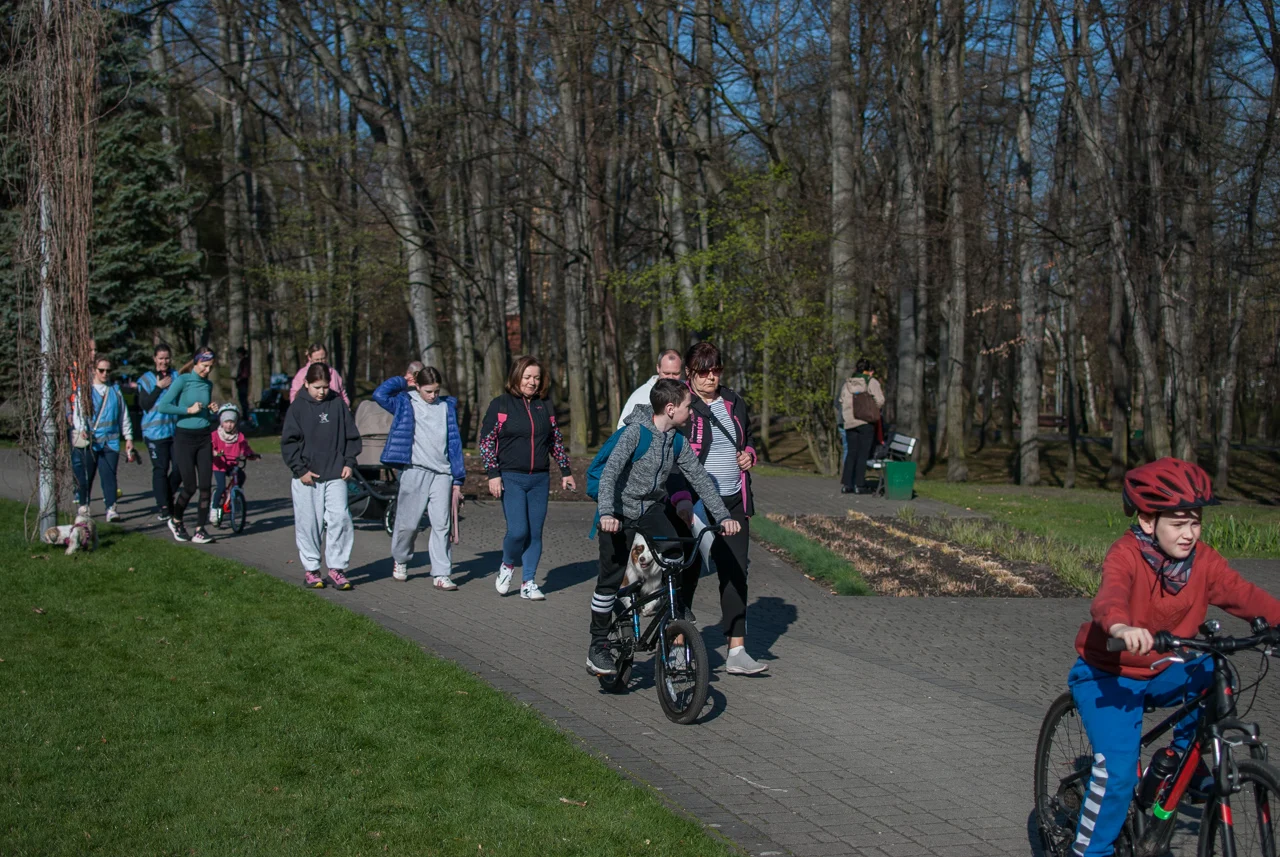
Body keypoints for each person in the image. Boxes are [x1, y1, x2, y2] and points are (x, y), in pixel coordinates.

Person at [1066, 458, 1280, 857]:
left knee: (1215, 673)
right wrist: (1122, 628)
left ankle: (1182, 771)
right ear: (1148, 521)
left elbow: (1241, 592)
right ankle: (1089, 852)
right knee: (1115, 776)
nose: (1189, 534)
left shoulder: (1203, 561)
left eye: (1195, 522)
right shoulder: (1126, 554)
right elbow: (1110, 595)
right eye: (1178, 524)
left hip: (1164, 667)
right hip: (1109, 674)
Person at [586, 379, 741, 676]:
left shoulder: (676, 440)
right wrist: (607, 513)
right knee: (609, 579)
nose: (692, 413)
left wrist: (722, 517)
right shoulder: (635, 434)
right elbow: (608, 476)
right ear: (670, 409)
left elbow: (700, 480)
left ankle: (674, 605)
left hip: (651, 508)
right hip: (618, 510)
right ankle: (598, 645)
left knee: (675, 550)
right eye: (687, 407)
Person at [678, 341, 767, 675]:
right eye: (703, 371)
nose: (711, 377)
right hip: (693, 500)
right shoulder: (681, 403)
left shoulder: (733, 401)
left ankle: (737, 650)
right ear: (690, 372)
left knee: (736, 571)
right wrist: (682, 498)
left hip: (732, 500)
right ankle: (678, 645)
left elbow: (748, 440)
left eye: (716, 370)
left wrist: (749, 455)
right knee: (686, 571)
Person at [479, 355, 576, 601]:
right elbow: (487, 442)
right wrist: (493, 474)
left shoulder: (545, 405)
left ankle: (529, 582)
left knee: (535, 532)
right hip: (511, 477)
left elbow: (555, 440)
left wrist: (565, 471)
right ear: (516, 377)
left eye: (536, 377)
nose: (532, 382)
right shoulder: (501, 405)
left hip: (539, 479)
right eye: (527, 377)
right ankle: (508, 564)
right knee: (518, 531)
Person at [373, 365, 466, 588]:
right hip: (415, 470)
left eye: (436, 391)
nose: (433, 396)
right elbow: (379, 394)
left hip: (442, 473)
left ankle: (441, 573)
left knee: (441, 524)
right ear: (418, 387)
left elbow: (454, 445)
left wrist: (458, 479)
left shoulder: (446, 407)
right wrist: (404, 381)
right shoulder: (406, 401)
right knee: (408, 524)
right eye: (428, 391)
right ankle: (401, 559)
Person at [281, 362, 362, 591]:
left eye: (325, 387)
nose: (321, 392)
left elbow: (351, 437)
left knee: (340, 519)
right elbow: (289, 443)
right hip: (308, 477)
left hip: (335, 472)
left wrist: (349, 462)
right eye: (317, 387)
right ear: (306, 384)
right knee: (309, 523)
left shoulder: (337, 404)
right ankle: (312, 569)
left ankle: (337, 568)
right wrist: (300, 470)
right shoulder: (298, 408)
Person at [155, 349, 218, 544]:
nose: (207, 370)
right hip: (184, 438)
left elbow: (204, 413)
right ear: (196, 362)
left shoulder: (208, 385)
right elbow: (163, 406)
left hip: (204, 437)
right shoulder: (182, 380)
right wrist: (187, 410)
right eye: (204, 366)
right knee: (190, 486)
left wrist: (211, 411)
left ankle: (200, 529)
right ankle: (176, 520)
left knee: (206, 486)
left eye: (210, 367)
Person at [70, 356, 135, 522]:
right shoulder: (84, 391)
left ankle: (111, 508)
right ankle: (84, 506)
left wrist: (128, 437)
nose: (105, 373)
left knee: (109, 476)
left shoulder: (115, 390)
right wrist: (81, 428)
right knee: (86, 476)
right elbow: (78, 412)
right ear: (94, 370)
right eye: (101, 370)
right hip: (91, 441)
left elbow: (123, 415)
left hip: (111, 442)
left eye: (108, 370)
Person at [136, 343, 183, 522]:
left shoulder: (177, 376)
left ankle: (167, 495)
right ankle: (164, 506)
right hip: (155, 432)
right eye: (161, 358)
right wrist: (159, 387)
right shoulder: (146, 379)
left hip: (175, 431)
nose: (164, 362)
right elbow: (145, 404)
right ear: (155, 359)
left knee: (180, 468)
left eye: (167, 358)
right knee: (161, 469)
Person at [838, 359, 885, 494]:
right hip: (865, 422)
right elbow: (880, 400)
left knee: (852, 452)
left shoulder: (848, 383)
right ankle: (860, 484)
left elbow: (842, 400)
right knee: (863, 453)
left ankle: (847, 485)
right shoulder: (871, 382)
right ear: (869, 370)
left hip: (850, 422)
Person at [209, 403, 259, 526]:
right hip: (219, 465)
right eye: (226, 422)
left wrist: (250, 454)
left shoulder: (239, 436)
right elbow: (210, 447)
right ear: (221, 422)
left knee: (241, 476)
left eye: (232, 422)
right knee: (220, 487)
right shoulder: (215, 435)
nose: (229, 425)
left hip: (232, 464)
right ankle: (214, 508)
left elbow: (245, 448)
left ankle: (233, 495)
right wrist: (215, 453)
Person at [617, 349, 684, 428]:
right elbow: (622, 427)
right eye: (666, 373)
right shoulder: (640, 396)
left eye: (676, 374)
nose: (671, 378)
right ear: (658, 368)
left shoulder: (687, 393)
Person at [234, 347, 252, 422]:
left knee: (243, 400)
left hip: (243, 383)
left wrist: (239, 379)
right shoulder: (244, 361)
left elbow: (245, 374)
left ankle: (246, 416)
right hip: (242, 383)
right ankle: (245, 415)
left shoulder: (245, 361)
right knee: (242, 400)